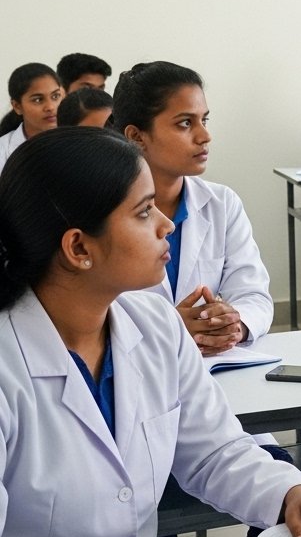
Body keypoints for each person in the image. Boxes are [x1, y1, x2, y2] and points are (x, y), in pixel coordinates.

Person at [0, 126, 301, 537]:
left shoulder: (153, 322)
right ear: (78, 247)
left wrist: (291, 493)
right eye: (144, 212)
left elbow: (214, 452)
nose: (167, 224)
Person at [111, 61, 273, 352]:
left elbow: (254, 295)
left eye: (204, 120)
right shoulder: (103, 211)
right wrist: (168, 327)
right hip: (131, 368)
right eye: (185, 123)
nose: (204, 136)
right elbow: (85, 316)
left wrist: (233, 323)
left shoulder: (222, 203)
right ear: (136, 136)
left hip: (212, 367)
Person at [0, 63, 63, 172]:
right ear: (17, 106)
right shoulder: (3, 151)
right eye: (37, 100)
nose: (50, 107)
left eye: (55, 96)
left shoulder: (79, 143)